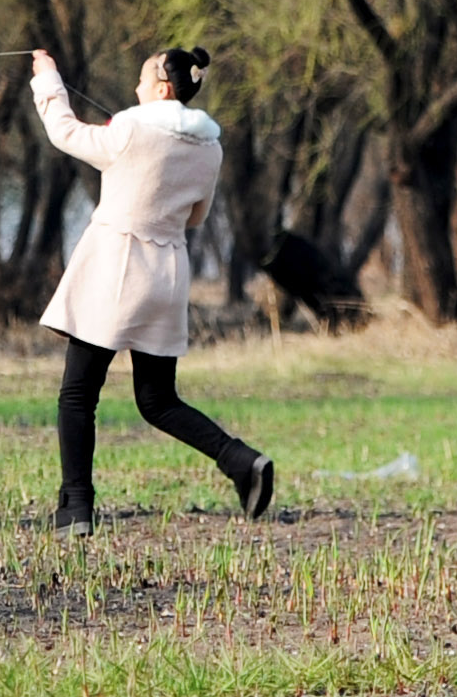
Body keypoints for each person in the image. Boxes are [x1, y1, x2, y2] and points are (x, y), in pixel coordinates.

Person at [28, 47, 273, 534]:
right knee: (158, 400)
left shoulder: (130, 128)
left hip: (115, 271)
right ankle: (240, 460)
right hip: (167, 275)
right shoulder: (211, 147)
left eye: (142, 79)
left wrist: (48, 78)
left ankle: (76, 507)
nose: (136, 88)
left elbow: (64, 132)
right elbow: (196, 216)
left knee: (78, 393)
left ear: (162, 89)